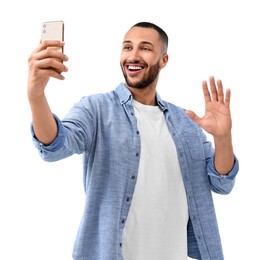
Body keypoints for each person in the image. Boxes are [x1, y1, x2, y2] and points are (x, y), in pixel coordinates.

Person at [27, 21, 239, 260]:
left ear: (164, 60)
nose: (133, 56)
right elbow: (55, 146)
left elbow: (222, 183)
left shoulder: (186, 121)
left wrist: (223, 138)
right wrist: (36, 95)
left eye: (145, 48)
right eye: (127, 47)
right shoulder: (96, 109)